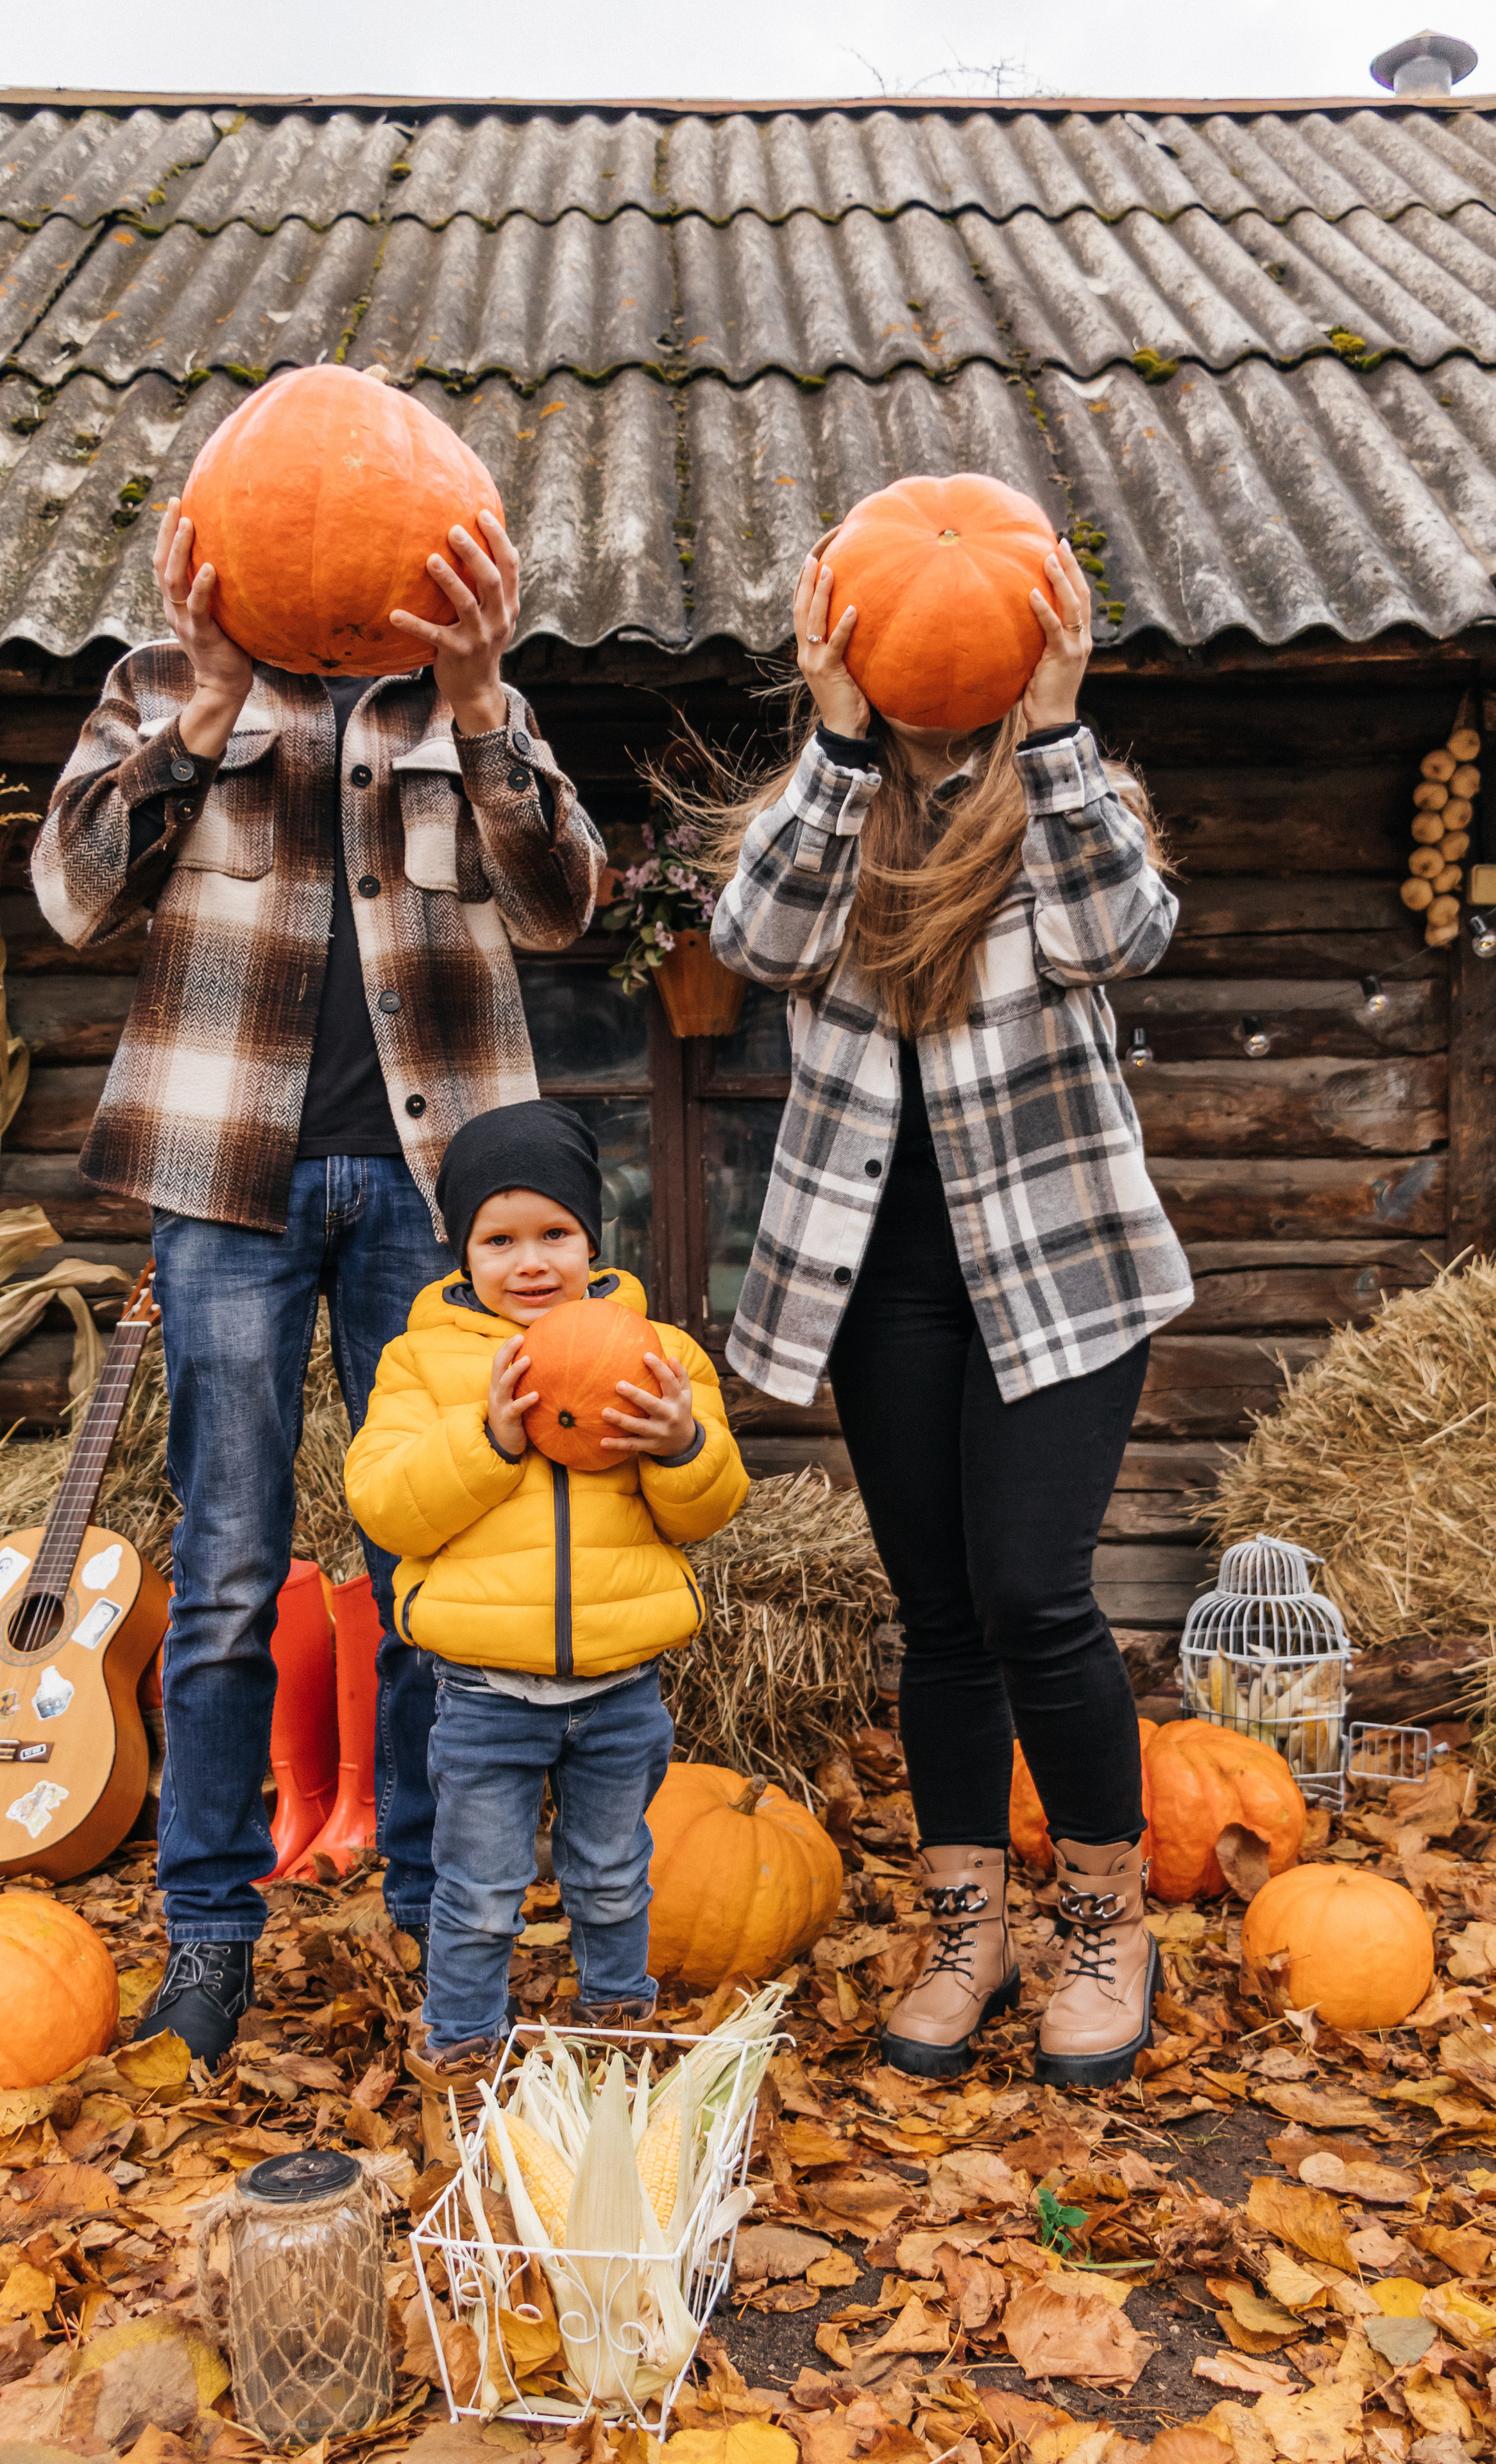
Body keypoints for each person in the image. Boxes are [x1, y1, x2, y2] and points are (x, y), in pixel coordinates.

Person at [31, 489, 602, 2063]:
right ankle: (209, 1935)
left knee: (425, 1573)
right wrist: (208, 707)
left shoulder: (468, 699)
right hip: (230, 1186)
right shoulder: (161, 685)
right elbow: (74, 896)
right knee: (224, 1575)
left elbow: (561, 907)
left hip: (437, 1198)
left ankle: (436, 1908)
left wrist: (484, 704)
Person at [705, 531, 1193, 2089]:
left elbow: (1121, 941)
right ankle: (965, 1927)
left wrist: (1051, 729)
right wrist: (837, 739)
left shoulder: (1075, 804)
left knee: (1031, 1595)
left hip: (1055, 1271)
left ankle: (1108, 1928)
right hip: (883, 1283)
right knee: (936, 1616)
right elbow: (748, 945)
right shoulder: (826, 815)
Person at [344, 1100, 749, 2067]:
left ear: (592, 1238)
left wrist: (682, 1446)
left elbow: (709, 1507)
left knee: (612, 1875)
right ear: (462, 1253)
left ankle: (616, 2020)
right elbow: (386, 1507)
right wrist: (486, 1440)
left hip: (620, 1690)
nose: (531, 1263)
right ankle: (466, 2043)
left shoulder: (660, 1356)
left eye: (555, 1234)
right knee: (479, 1888)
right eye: (500, 1239)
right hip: (485, 1693)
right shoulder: (420, 1365)